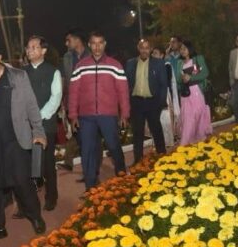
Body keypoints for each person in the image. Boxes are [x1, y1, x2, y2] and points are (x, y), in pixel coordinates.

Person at [0, 44, 47, 241]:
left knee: (23, 183)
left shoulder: (17, 76)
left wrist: (38, 131)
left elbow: (32, 106)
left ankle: (35, 216)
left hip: (15, 140)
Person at [68, 31, 129, 189]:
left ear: (105, 44)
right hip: (86, 117)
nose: (97, 46)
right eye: (93, 43)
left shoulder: (115, 65)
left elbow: (123, 92)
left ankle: (122, 175)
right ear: (89, 45)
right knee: (87, 150)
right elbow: (74, 92)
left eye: (100, 43)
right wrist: (73, 115)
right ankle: (90, 186)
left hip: (108, 115)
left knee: (114, 146)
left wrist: (125, 114)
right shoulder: (80, 66)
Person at [23, 36, 62, 211]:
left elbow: (56, 98)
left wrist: (38, 117)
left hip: (46, 125)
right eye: (28, 48)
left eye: (34, 47)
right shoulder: (22, 73)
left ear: (43, 50)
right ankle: (28, 203)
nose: (29, 50)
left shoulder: (53, 71)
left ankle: (51, 196)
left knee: (47, 164)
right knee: (25, 164)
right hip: (24, 126)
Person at [124, 38, 168, 164]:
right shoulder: (130, 63)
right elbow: (126, 84)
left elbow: (163, 85)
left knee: (156, 130)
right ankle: (138, 160)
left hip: (152, 102)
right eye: (142, 47)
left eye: (147, 48)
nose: (144, 50)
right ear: (138, 48)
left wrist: (161, 103)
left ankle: (162, 156)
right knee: (137, 133)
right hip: (136, 103)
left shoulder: (158, 63)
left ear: (150, 49)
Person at [59, 30, 88, 173]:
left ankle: (89, 166)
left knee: (89, 133)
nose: (66, 43)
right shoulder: (67, 57)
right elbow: (65, 80)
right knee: (77, 131)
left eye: (68, 40)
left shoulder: (91, 55)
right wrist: (63, 101)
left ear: (77, 40)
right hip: (73, 101)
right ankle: (74, 163)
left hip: (89, 101)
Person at [178, 39, 212, 144]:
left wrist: (191, 78)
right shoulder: (179, 63)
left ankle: (201, 142)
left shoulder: (197, 59)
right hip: (185, 94)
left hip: (197, 92)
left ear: (190, 49)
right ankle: (185, 144)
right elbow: (178, 79)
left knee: (198, 118)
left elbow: (205, 73)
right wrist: (182, 79)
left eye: (184, 48)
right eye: (181, 49)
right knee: (188, 119)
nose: (182, 51)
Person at [151, 46, 177, 146]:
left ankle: (169, 142)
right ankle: (158, 142)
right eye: (152, 53)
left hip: (164, 94)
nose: (153, 55)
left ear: (162, 55)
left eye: (156, 53)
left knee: (165, 117)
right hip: (153, 95)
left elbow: (167, 80)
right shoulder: (150, 66)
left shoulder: (166, 65)